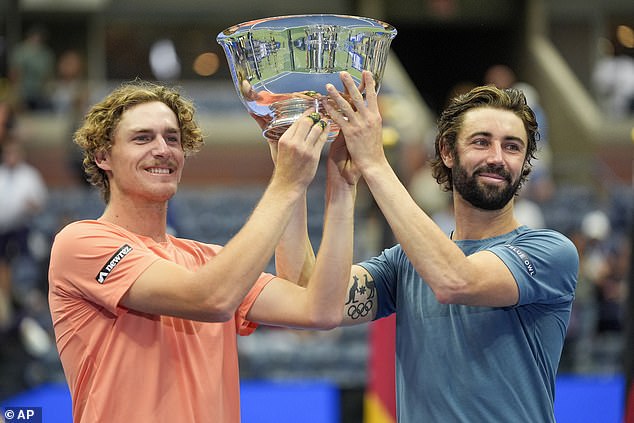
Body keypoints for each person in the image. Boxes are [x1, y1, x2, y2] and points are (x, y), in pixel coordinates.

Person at [47, 80, 359, 422]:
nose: (162, 149)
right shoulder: (80, 243)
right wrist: (285, 183)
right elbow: (211, 298)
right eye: (142, 138)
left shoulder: (209, 260)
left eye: (172, 138)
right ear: (102, 156)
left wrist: (340, 188)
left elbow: (319, 309)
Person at [280, 71, 579, 422]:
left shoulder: (550, 251)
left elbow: (457, 280)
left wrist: (375, 163)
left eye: (512, 147)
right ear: (447, 152)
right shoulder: (407, 263)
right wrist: (296, 183)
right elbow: (308, 304)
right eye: (481, 142)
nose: (498, 157)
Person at [0, 137, 48, 331]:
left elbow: (40, 204)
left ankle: (28, 296)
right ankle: (7, 298)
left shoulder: (30, 176)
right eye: (7, 153)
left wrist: (31, 206)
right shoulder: (1, 175)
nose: (11, 157)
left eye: (14, 153)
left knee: (25, 260)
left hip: (22, 228)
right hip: (1, 229)